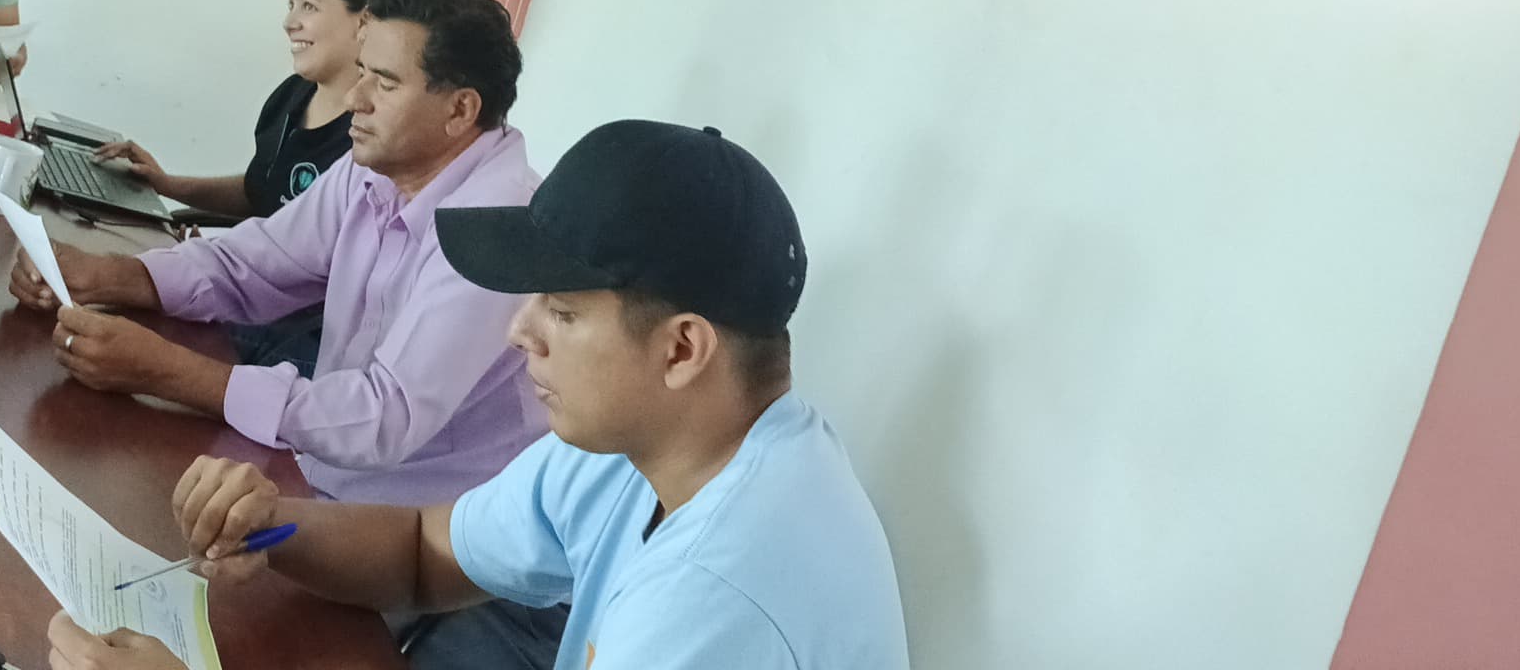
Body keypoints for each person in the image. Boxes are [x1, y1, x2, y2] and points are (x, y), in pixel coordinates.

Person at [64, 120, 911, 670]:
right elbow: (425, 551)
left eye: (562, 312)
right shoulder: (647, 446)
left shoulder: (718, 598)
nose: (518, 331)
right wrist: (272, 523)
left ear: (682, 349)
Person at [9, 0, 545, 508]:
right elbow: (258, 262)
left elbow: (385, 417)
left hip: (426, 525)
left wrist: (166, 372)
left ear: (460, 110)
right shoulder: (377, 167)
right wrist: (110, 275)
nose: (354, 98)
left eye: (384, 83)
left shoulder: (498, 225)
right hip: (322, 468)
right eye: (361, 72)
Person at [89, 0, 395, 373]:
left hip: (294, 333)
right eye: (290, 4)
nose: (289, 22)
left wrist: (219, 266)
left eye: (308, 6)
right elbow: (260, 191)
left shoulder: (369, 142)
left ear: (363, 21)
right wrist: (168, 185)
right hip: (244, 292)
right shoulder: (291, 97)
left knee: (126, 329)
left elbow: (308, 260)